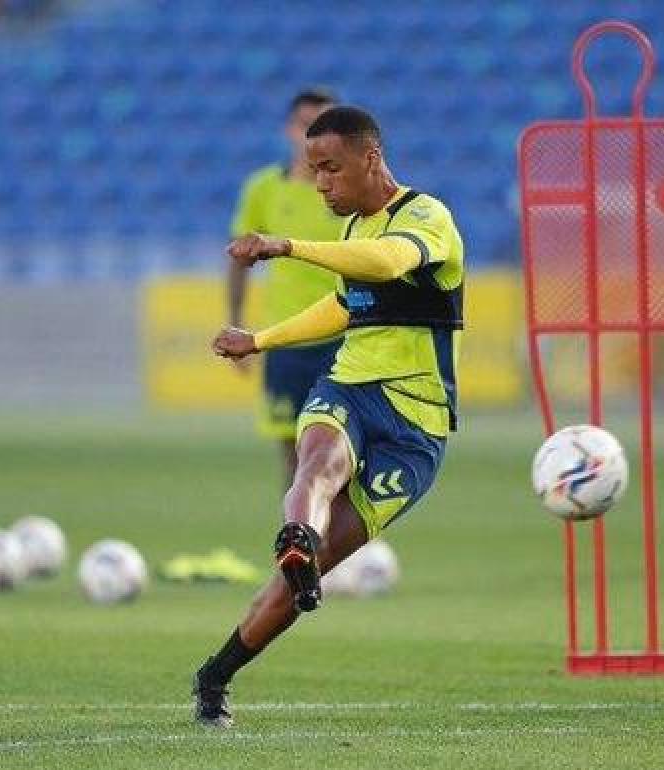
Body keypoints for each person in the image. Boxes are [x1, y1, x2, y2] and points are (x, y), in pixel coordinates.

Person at [192, 106, 464, 727]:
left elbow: (391, 264)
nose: (319, 184)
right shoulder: (349, 230)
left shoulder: (426, 218)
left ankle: (215, 674)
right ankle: (297, 540)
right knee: (315, 462)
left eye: (330, 169)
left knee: (300, 580)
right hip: (349, 386)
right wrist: (258, 340)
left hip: (416, 426)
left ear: (371, 159)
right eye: (313, 171)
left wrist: (285, 246)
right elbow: (345, 306)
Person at [228, 87, 344, 483]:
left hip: (344, 340)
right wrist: (237, 324)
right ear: (289, 130)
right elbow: (239, 261)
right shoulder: (263, 189)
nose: (313, 133)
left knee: (341, 455)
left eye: (323, 125)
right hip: (284, 343)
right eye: (304, 124)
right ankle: (297, 544)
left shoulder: (350, 191)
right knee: (293, 460)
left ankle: (347, 544)